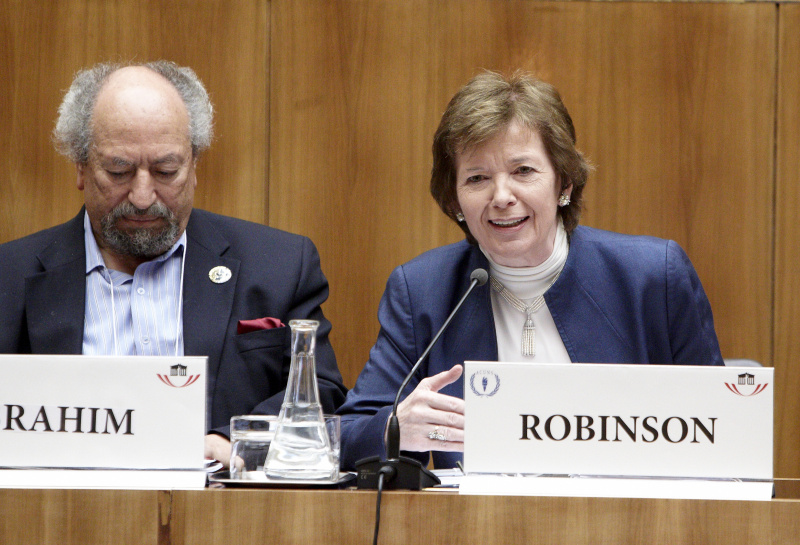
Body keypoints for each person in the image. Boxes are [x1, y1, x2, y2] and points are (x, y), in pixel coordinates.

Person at [338, 71, 723, 471]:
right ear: (455, 200)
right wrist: (398, 427)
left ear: (564, 183)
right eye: (477, 178)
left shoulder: (652, 277)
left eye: (523, 171)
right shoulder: (423, 291)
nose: (502, 197)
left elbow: (724, 431)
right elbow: (347, 434)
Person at [0, 61, 347, 465]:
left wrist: (232, 440)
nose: (143, 196)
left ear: (194, 164)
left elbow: (321, 394)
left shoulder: (279, 266)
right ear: (80, 166)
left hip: (225, 515)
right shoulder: (11, 276)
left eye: (166, 171)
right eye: (119, 170)